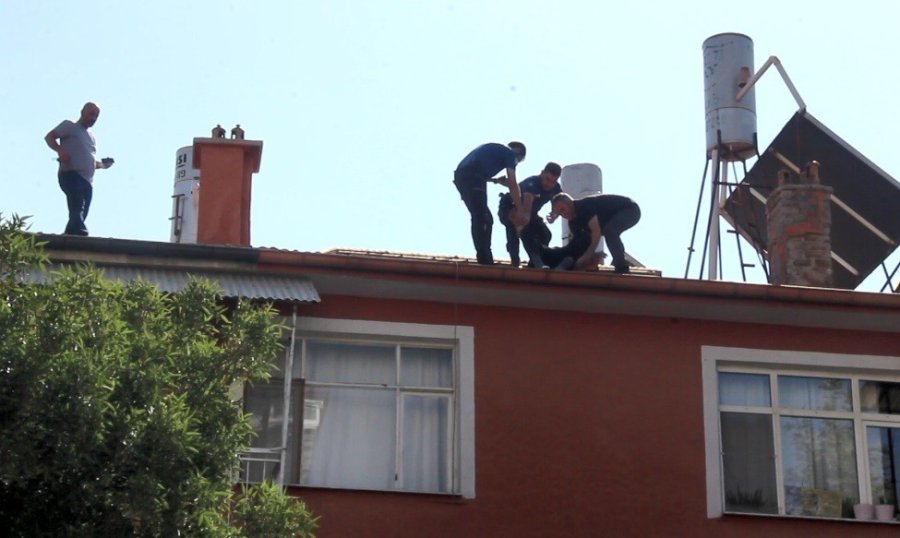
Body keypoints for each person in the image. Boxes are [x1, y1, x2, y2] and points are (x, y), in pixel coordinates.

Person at [45, 102, 113, 236]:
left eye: (96, 116)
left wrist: (103, 165)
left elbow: (90, 161)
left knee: (82, 211)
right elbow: (49, 137)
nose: (93, 118)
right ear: (82, 112)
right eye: (91, 114)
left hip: (87, 180)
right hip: (71, 174)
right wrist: (60, 151)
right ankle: (81, 232)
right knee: (77, 204)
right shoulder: (70, 126)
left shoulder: (91, 137)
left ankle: (69, 235)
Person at [453, 142, 526, 265]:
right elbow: (513, 182)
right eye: (518, 161)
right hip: (473, 177)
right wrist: (520, 208)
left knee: (484, 218)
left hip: (463, 177)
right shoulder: (510, 154)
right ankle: (484, 258)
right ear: (518, 154)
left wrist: (496, 180)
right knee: (482, 217)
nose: (515, 164)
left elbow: (479, 166)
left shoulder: (496, 151)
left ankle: (484, 254)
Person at [545, 192, 641, 273]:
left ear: (570, 203)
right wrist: (590, 257)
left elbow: (596, 232)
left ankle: (621, 265)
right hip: (609, 220)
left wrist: (588, 255)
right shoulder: (573, 223)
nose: (563, 215)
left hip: (630, 209)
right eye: (560, 214)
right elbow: (581, 243)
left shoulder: (583, 206)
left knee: (610, 231)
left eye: (563, 209)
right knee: (589, 239)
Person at [497, 162, 562, 268]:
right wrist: (521, 226)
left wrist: (554, 214)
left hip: (531, 212)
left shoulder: (555, 188)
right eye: (547, 179)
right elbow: (526, 210)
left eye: (553, 182)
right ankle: (516, 261)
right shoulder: (532, 183)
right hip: (510, 207)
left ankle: (534, 263)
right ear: (542, 174)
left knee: (545, 234)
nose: (549, 184)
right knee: (520, 232)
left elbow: (559, 203)